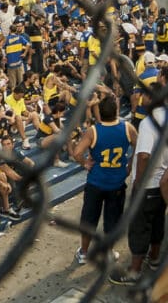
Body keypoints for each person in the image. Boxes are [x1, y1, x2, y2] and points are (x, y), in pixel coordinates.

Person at [71, 95, 137, 265]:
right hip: (116, 182)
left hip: (96, 182)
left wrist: (85, 163)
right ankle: (108, 251)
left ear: (99, 112)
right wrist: (129, 165)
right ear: (116, 111)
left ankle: (84, 252)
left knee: (89, 218)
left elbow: (77, 152)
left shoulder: (93, 131)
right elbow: (138, 148)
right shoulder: (127, 128)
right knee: (112, 219)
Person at [109, 94, 166, 285]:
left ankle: (134, 272)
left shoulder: (149, 123)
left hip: (148, 184)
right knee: (158, 220)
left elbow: (143, 156)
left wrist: (139, 182)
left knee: (139, 228)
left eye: (144, 95)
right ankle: (155, 258)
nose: (139, 98)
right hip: (163, 184)